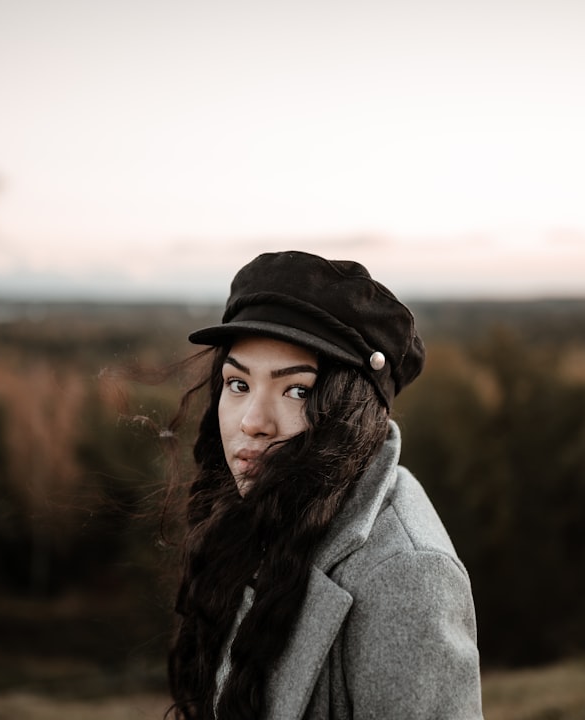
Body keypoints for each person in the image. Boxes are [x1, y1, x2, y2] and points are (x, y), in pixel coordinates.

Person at [165, 250, 482, 720]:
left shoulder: (407, 575)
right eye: (238, 384)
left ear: (351, 414)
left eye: (298, 390)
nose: (253, 422)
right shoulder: (268, 511)